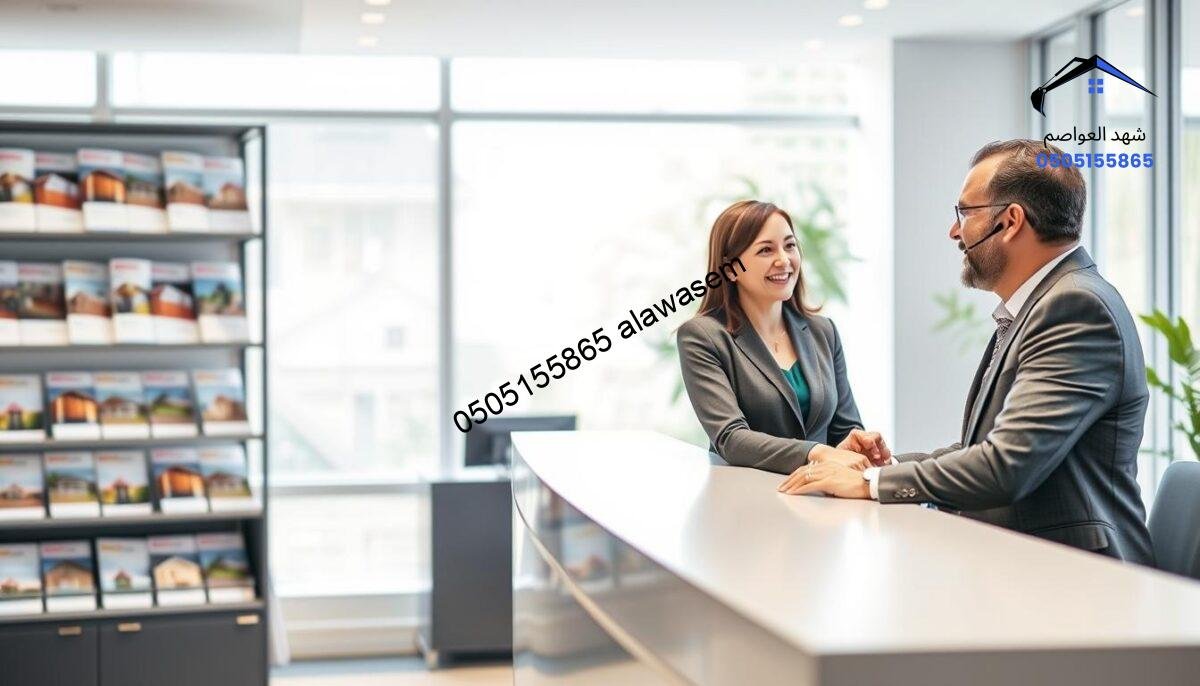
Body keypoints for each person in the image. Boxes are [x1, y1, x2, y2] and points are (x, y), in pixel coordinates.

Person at [787, 139, 1155, 565]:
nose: (955, 231)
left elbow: (1006, 466)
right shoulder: (1040, 304)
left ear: (1011, 221)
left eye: (965, 213)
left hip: (1081, 581)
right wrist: (873, 468)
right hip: (1031, 564)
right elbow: (981, 448)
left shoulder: (1075, 308)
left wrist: (873, 481)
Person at [677, 199, 887, 477]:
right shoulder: (703, 337)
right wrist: (816, 452)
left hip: (820, 503)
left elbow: (844, 428)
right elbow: (731, 438)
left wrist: (855, 445)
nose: (784, 260)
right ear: (730, 269)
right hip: (741, 503)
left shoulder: (823, 332)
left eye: (790, 246)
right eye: (766, 250)